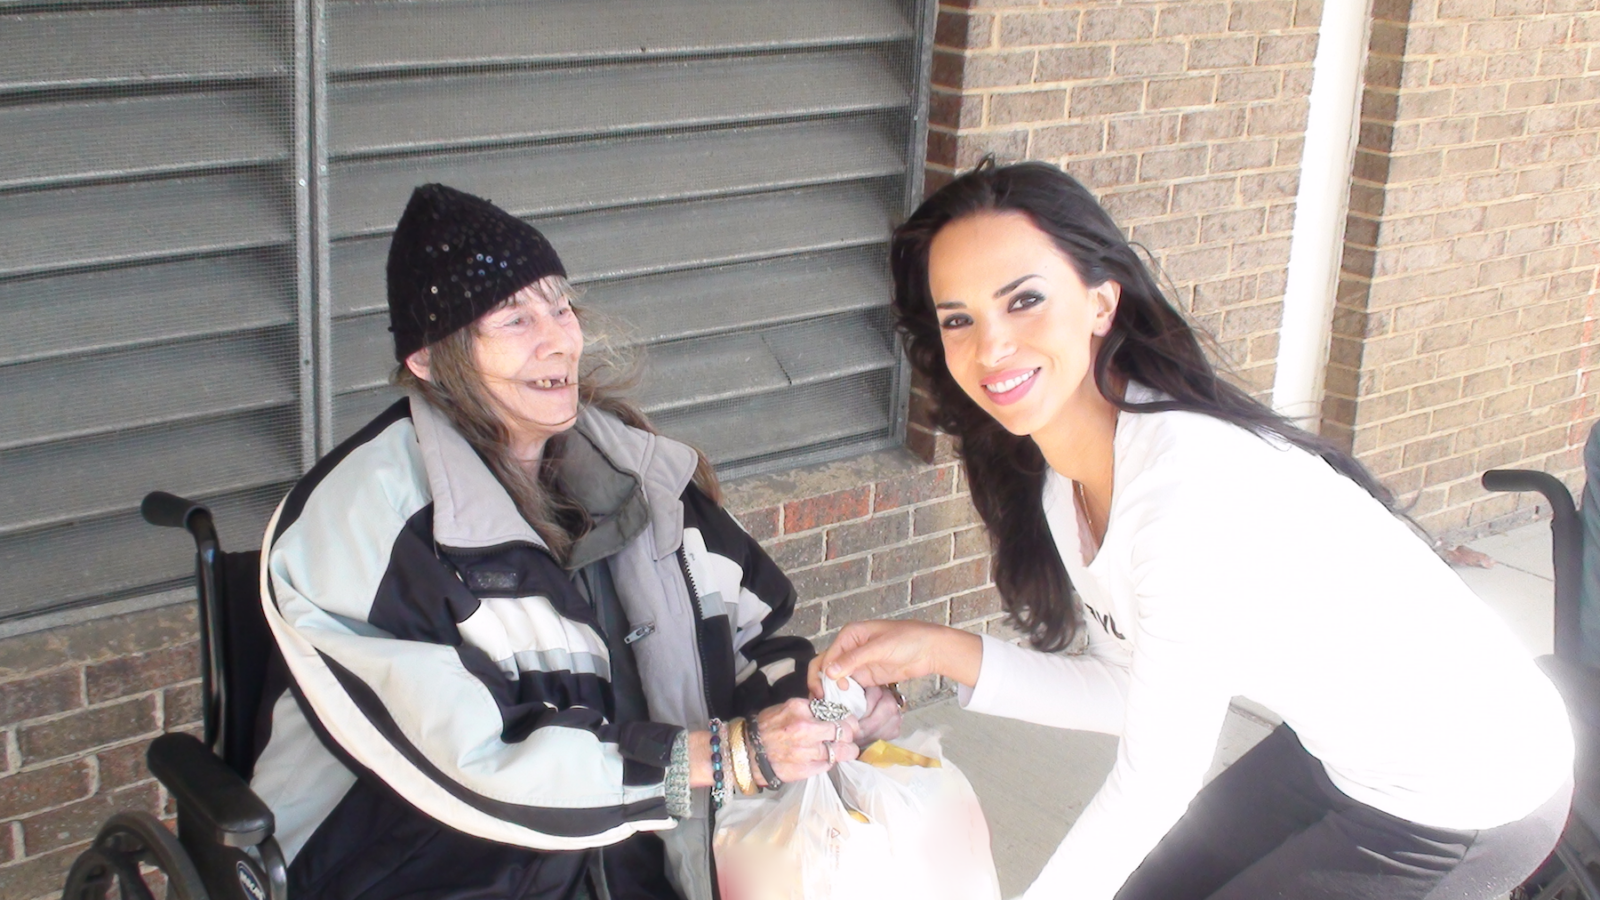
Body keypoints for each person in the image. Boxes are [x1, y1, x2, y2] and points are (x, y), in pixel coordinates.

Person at [811, 159, 1575, 900]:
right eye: (959, 318)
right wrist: (939, 649)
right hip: (1337, 754)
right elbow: (1128, 691)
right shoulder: (1065, 484)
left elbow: (1154, 784)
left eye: (1023, 300)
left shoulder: (1185, 493)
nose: (991, 347)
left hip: (1466, 792)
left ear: (1101, 303)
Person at [251, 184, 900, 900]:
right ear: (430, 362)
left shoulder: (638, 475)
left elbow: (749, 642)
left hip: (623, 862)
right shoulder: (364, 524)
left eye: (560, 305)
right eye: (514, 318)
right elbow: (481, 767)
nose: (559, 336)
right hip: (420, 868)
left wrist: (820, 704)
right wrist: (723, 758)